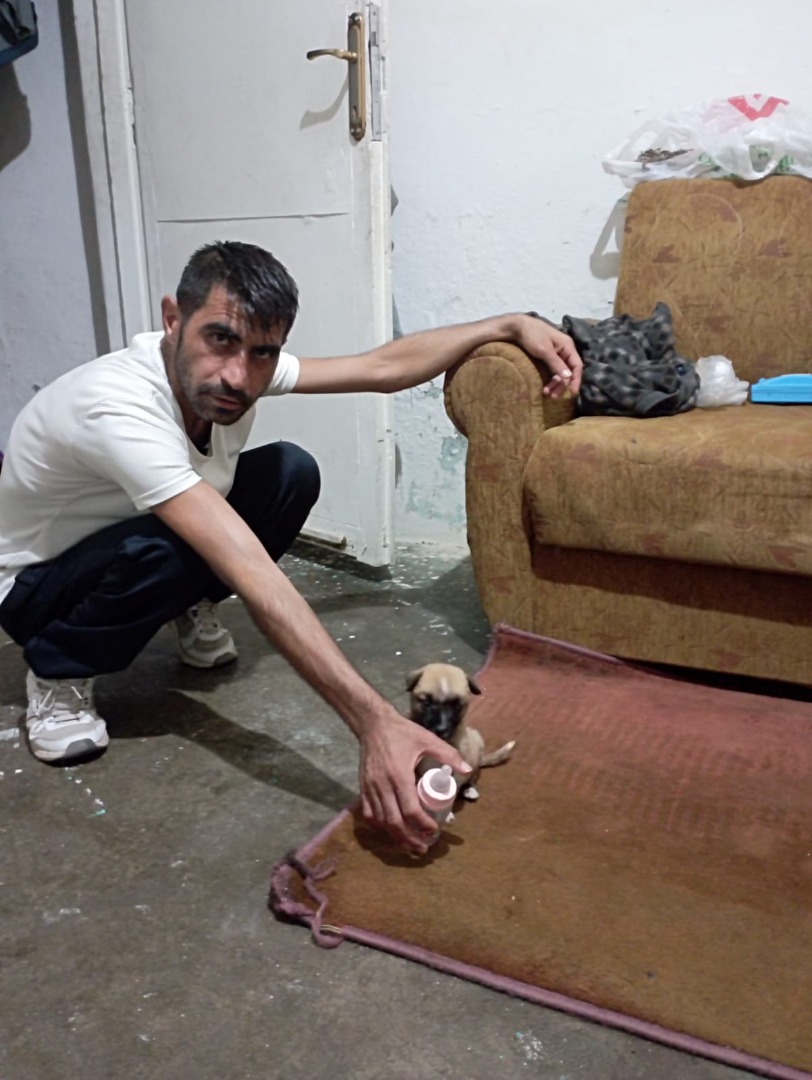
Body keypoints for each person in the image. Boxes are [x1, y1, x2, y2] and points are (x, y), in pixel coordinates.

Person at [0, 241, 581, 852]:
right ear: (173, 319)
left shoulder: (236, 368)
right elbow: (248, 568)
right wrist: (375, 722)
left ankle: (185, 602)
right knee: (173, 548)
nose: (237, 375)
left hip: (130, 534)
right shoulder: (118, 406)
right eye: (219, 339)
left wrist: (506, 324)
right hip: (36, 588)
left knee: (288, 473)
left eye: (263, 352)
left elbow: (381, 368)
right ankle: (60, 668)